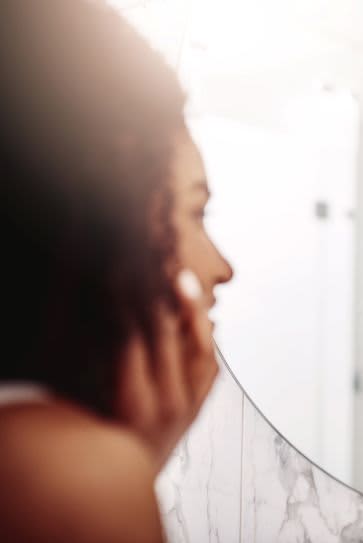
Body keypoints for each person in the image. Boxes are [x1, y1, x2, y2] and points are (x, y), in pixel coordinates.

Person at [0, 1, 233, 541]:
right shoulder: (69, 478)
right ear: (99, 221)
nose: (223, 268)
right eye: (195, 212)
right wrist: (121, 472)